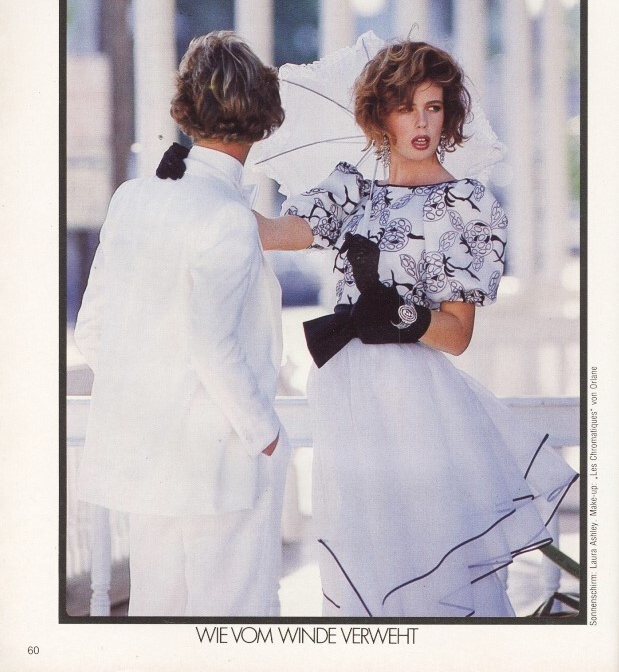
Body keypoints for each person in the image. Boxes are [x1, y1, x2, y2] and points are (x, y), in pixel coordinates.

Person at [252, 40, 578, 618]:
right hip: (346, 396)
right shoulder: (350, 190)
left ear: (449, 114)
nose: (422, 123)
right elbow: (273, 234)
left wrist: (401, 314)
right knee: (361, 568)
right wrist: (199, 187)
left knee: (430, 571)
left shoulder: (467, 205)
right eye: (406, 108)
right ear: (380, 116)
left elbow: (457, 335)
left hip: (417, 402)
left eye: (433, 107)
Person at [75, 31, 291, 617]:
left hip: (146, 463)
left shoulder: (132, 198)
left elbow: (91, 331)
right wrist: (266, 435)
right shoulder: (228, 217)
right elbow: (211, 344)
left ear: (187, 109)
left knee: (158, 621)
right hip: (222, 464)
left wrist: (155, 398)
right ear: (262, 117)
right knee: (237, 623)